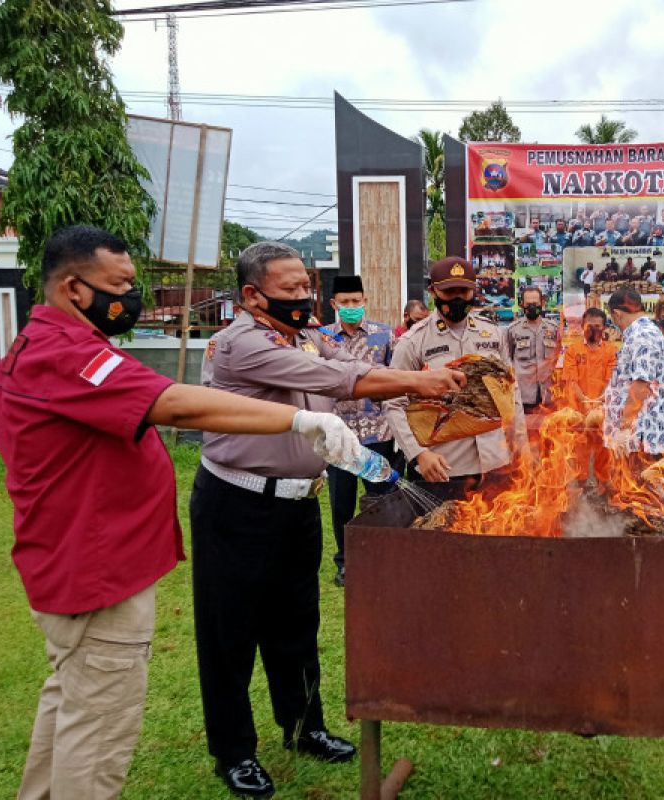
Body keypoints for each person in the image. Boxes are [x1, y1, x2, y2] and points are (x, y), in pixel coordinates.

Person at [0, 225, 373, 800]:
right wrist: (297, 420)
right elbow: (173, 404)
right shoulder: (64, 355)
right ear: (72, 289)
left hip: (122, 551)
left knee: (74, 704)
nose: (132, 295)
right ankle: (234, 750)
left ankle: (302, 726)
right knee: (101, 725)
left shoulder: (72, 348)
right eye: (119, 285)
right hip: (100, 564)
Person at [192, 242, 464, 798]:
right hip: (238, 505)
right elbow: (340, 381)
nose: (303, 298)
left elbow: (345, 364)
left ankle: (304, 726)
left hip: (297, 502)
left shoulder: (302, 334)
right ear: (251, 294)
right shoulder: (242, 344)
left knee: (297, 622)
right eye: (289, 289)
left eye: (305, 287)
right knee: (231, 632)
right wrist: (418, 382)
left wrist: (412, 377)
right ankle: (234, 751)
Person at [385, 256, 528, 483]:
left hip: (494, 460)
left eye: (464, 291)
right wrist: (418, 454)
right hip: (442, 466)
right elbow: (393, 403)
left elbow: (511, 393)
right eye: (450, 292)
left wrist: (521, 445)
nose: (458, 298)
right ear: (433, 292)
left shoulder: (493, 334)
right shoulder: (414, 342)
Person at [321, 274, 403, 588]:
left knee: (381, 499)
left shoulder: (384, 335)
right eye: (345, 303)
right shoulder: (323, 338)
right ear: (334, 304)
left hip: (378, 433)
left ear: (365, 301)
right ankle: (346, 562)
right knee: (342, 502)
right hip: (339, 435)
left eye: (357, 301)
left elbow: (395, 381)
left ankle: (382, 556)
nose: (352, 307)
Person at [603, 286, 664, 459]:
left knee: (636, 484)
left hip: (638, 437)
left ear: (617, 314)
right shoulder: (643, 333)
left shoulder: (643, 336)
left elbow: (641, 384)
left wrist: (625, 428)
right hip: (636, 434)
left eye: (614, 318)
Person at [561, 307, 618, 482]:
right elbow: (571, 380)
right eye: (589, 326)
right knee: (580, 452)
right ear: (582, 326)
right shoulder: (572, 350)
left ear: (604, 328)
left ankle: (604, 491)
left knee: (604, 452)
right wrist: (585, 400)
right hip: (578, 410)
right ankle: (581, 490)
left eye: (597, 326)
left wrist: (600, 402)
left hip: (603, 411)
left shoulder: (611, 351)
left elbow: (612, 381)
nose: (593, 329)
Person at [506, 287, 562, 412]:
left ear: (542, 303)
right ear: (522, 305)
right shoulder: (513, 330)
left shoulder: (553, 329)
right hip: (523, 396)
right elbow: (507, 359)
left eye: (535, 304)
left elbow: (558, 357)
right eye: (528, 304)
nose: (532, 307)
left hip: (548, 395)